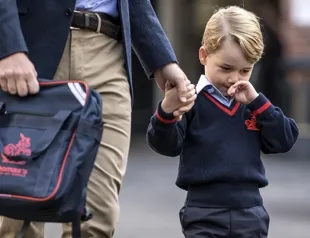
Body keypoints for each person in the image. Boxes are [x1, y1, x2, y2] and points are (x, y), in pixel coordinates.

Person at [0, 0, 196, 237]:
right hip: (30, 52)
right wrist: (8, 47)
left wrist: (162, 60)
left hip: (106, 53)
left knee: (96, 220)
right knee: (17, 220)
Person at [146, 6, 299, 238]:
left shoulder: (254, 104)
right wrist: (167, 110)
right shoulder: (191, 101)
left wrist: (257, 103)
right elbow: (166, 145)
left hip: (250, 213)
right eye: (226, 68)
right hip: (202, 212)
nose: (234, 78)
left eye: (245, 70)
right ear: (204, 55)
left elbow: (284, 140)